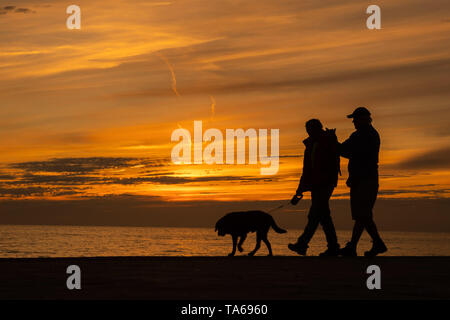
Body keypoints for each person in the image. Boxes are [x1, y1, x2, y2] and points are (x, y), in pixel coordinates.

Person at [339, 107, 387, 257]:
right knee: (362, 215)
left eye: (355, 119)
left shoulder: (368, 135)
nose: (353, 122)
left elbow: (352, 153)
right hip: (361, 179)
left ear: (364, 119)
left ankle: (372, 244)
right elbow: (345, 151)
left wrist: (335, 144)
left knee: (363, 214)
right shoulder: (359, 135)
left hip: (366, 179)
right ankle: (355, 246)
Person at [288, 119, 341, 256]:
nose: (308, 132)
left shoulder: (325, 142)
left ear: (317, 129)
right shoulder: (312, 144)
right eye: (307, 130)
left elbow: (321, 167)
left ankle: (303, 244)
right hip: (318, 184)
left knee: (316, 215)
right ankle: (332, 247)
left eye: (310, 129)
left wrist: (302, 189)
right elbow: (307, 170)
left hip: (324, 184)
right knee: (323, 216)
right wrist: (299, 191)